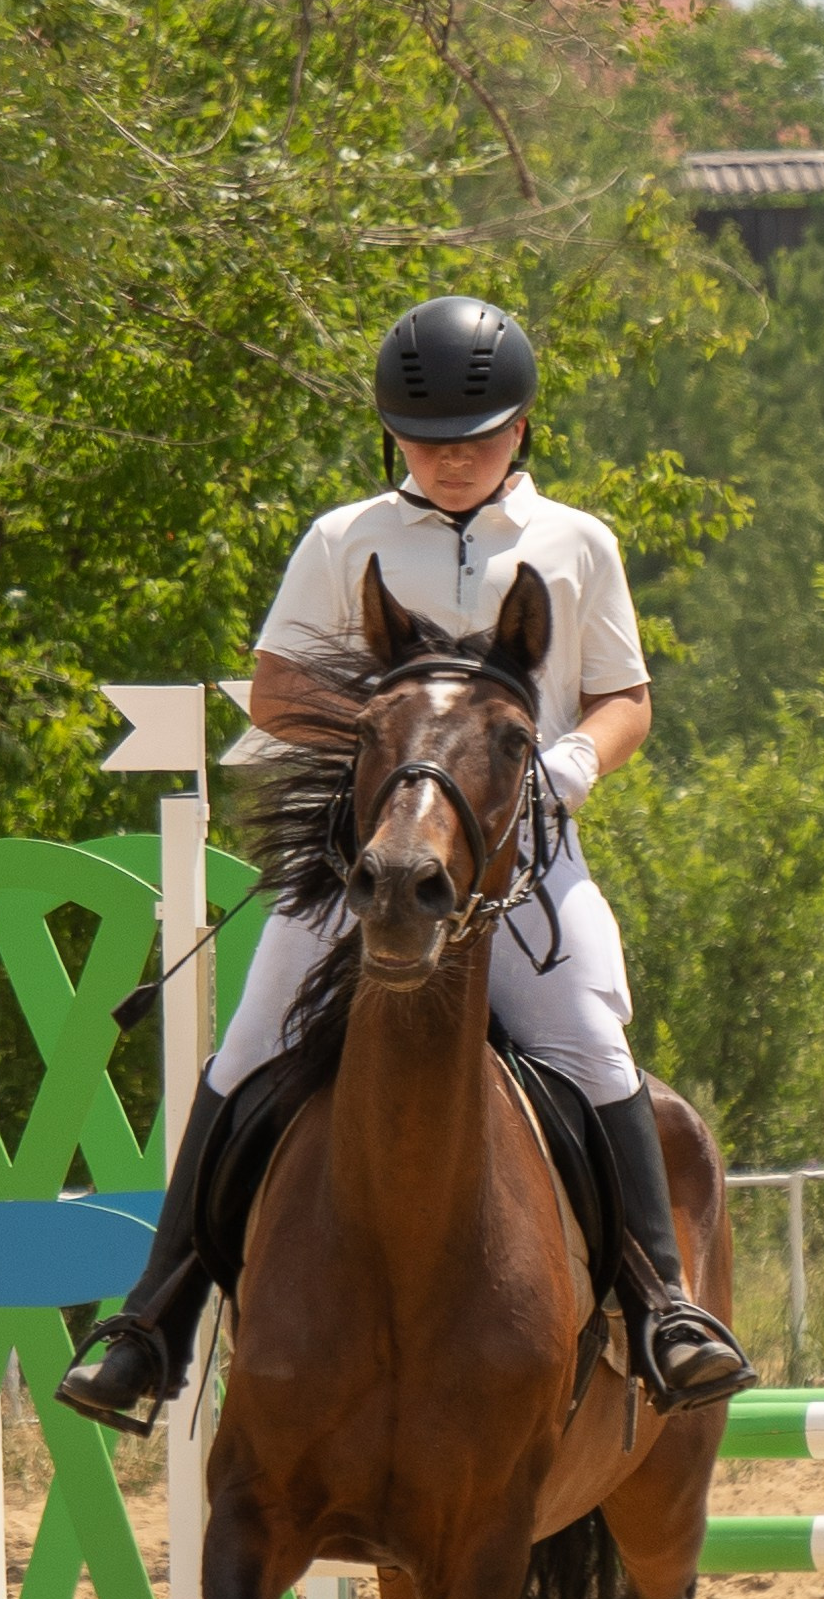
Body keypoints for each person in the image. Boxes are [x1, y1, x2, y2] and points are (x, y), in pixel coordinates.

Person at [56, 293, 756, 1431]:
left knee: (588, 1031)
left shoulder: (577, 544)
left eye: (476, 437)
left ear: (522, 429)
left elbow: (627, 696)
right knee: (251, 1036)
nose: (451, 459)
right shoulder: (346, 539)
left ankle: (664, 1305)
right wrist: (400, 754)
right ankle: (154, 1319)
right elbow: (278, 688)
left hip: (524, 863)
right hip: (361, 861)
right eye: (428, 441)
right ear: (394, 436)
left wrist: (569, 763)